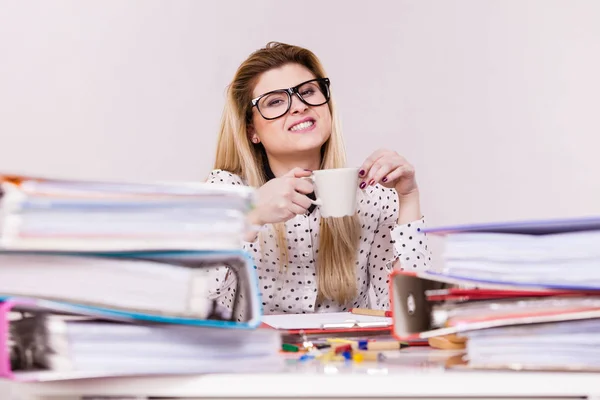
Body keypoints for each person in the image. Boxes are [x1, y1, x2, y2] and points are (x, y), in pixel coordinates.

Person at [206, 42, 432, 320]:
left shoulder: (373, 195)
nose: (299, 106)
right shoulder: (226, 192)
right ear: (252, 130)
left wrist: (408, 199)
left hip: (345, 360)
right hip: (255, 360)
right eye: (275, 101)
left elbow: (412, 315)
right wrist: (250, 216)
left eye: (308, 92)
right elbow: (198, 296)